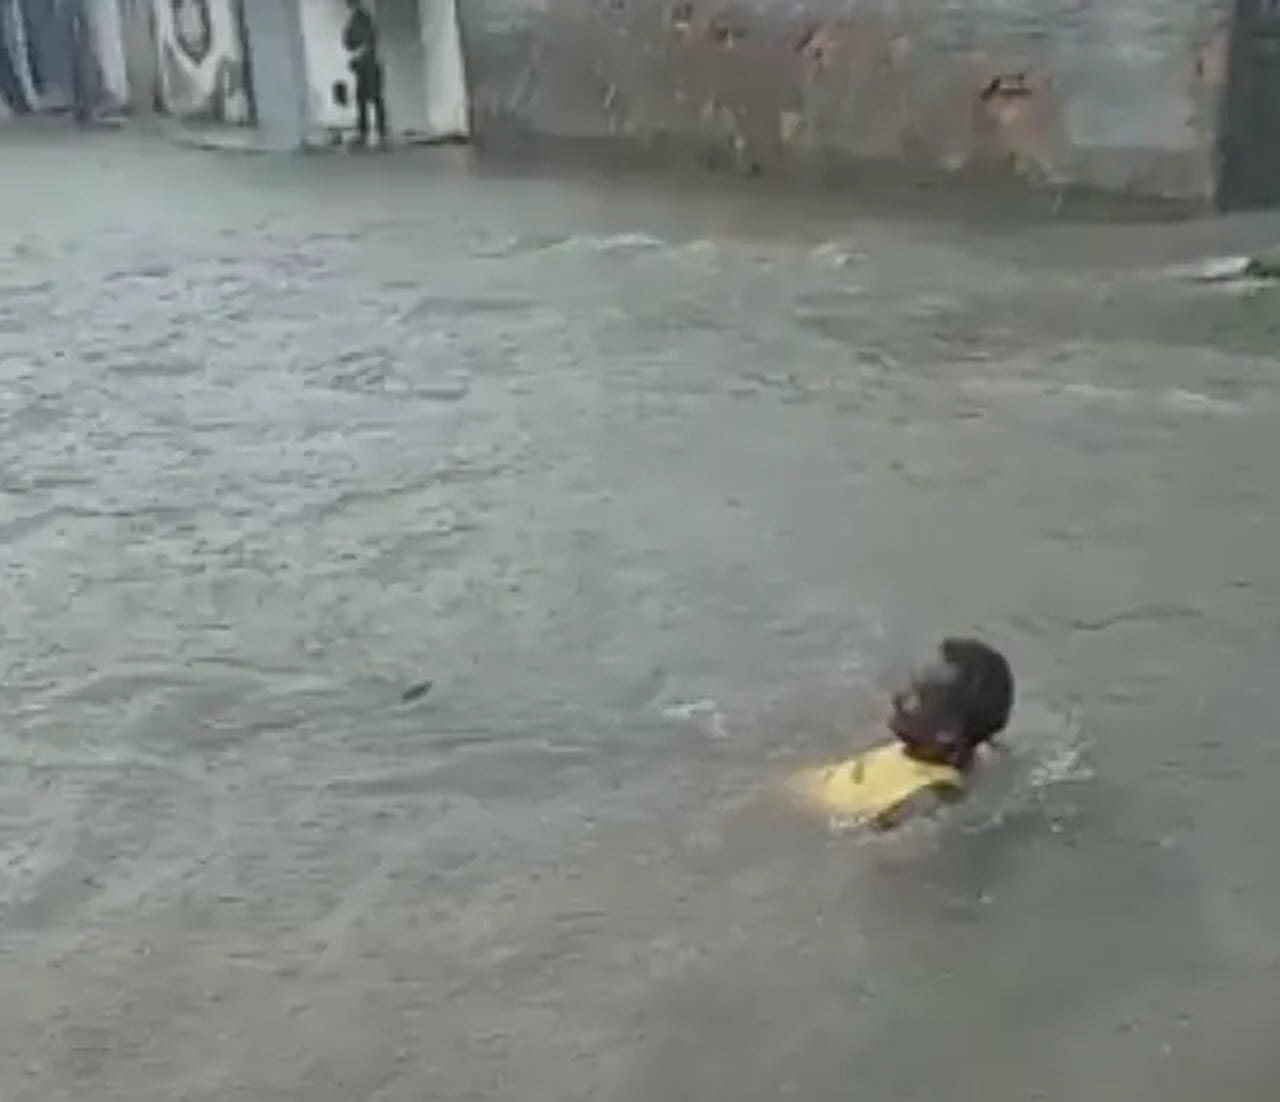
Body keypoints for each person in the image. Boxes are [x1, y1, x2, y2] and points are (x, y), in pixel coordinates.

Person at [789, 637, 1014, 830]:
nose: (898, 697)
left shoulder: (927, 796)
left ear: (946, 733)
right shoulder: (918, 746)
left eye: (915, 699)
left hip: (796, 822)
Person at [342, 0, 388, 147]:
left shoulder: (361, 18)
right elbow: (350, 41)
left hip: (368, 64)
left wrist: (359, 52)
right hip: (365, 63)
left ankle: (374, 130)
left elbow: (366, 40)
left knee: (372, 97)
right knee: (365, 98)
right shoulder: (359, 17)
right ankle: (372, 130)